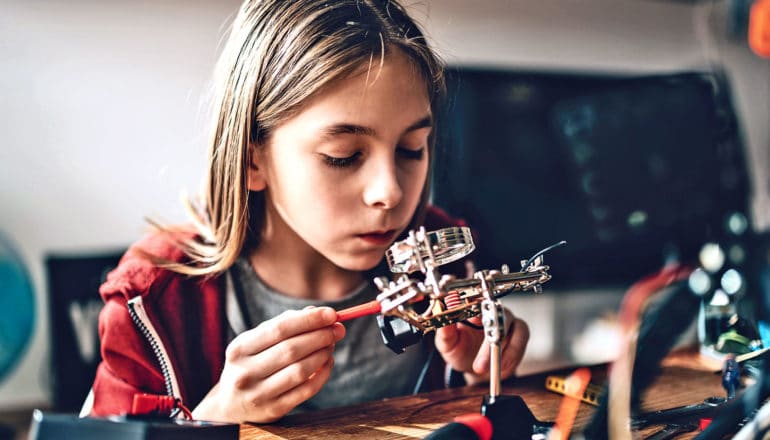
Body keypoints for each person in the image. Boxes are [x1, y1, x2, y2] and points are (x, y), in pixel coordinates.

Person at [88, 0, 529, 424]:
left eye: (411, 150)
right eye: (343, 155)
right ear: (252, 160)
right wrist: (214, 418)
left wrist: (479, 375)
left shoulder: (449, 254)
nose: (390, 193)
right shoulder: (153, 299)